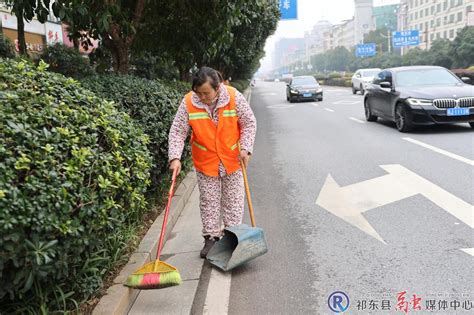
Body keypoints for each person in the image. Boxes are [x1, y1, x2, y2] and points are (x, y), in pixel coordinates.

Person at [168, 66, 257, 258]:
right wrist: (175, 157)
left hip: (232, 159)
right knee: (209, 201)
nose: (202, 97)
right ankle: (211, 238)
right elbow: (178, 130)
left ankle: (233, 237)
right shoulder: (189, 102)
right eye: (198, 93)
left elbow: (249, 122)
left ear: (218, 88)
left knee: (233, 201)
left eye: (206, 93)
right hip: (205, 161)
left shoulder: (233, 97)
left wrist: (246, 148)